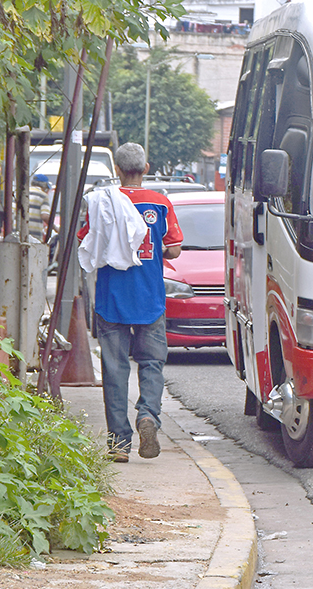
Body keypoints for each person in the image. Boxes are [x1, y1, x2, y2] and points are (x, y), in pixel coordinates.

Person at [78, 143, 183, 463]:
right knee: (152, 364)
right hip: (150, 299)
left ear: (118, 171)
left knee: (114, 370)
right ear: (146, 168)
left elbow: (85, 240)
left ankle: (118, 443)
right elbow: (175, 248)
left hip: (111, 300)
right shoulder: (160, 203)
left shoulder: (102, 202)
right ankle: (148, 415)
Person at [27, 174, 51, 245]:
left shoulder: (20, 193)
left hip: (17, 234)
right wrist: (56, 228)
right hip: (34, 236)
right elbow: (45, 216)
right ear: (44, 186)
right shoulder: (43, 195)